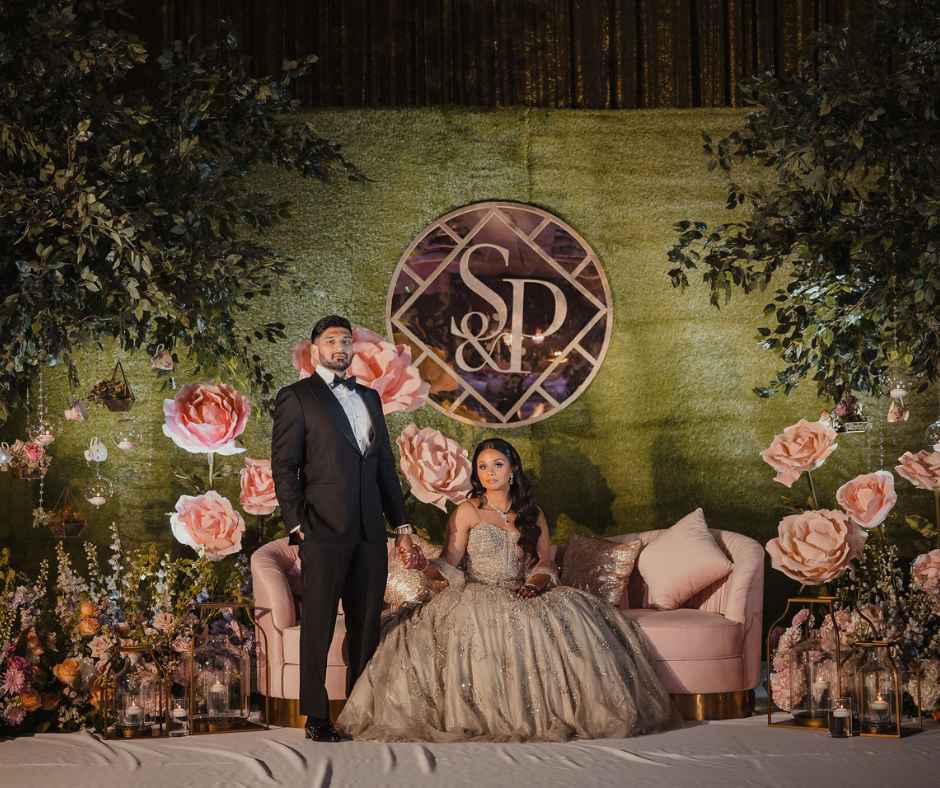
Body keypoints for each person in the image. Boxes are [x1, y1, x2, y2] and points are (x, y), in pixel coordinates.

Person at [337, 437, 676, 742]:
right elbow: (448, 565)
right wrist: (421, 565)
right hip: (476, 593)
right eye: (482, 467)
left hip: (524, 590)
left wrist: (534, 584)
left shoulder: (533, 514)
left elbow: (545, 564)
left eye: (497, 464)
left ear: (513, 469)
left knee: (566, 626)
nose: (489, 472)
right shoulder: (468, 511)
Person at [271, 315, 421, 742]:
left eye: (346, 340)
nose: (340, 346)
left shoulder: (370, 398)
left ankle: (361, 710)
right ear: (314, 347)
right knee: (318, 623)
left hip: (371, 530)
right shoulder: (297, 398)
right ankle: (317, 717)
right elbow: (284, 467)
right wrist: (298, 525)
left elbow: (384, 468)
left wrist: (402, 524)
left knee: (366, 623)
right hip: (322, 529)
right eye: (331, 340)